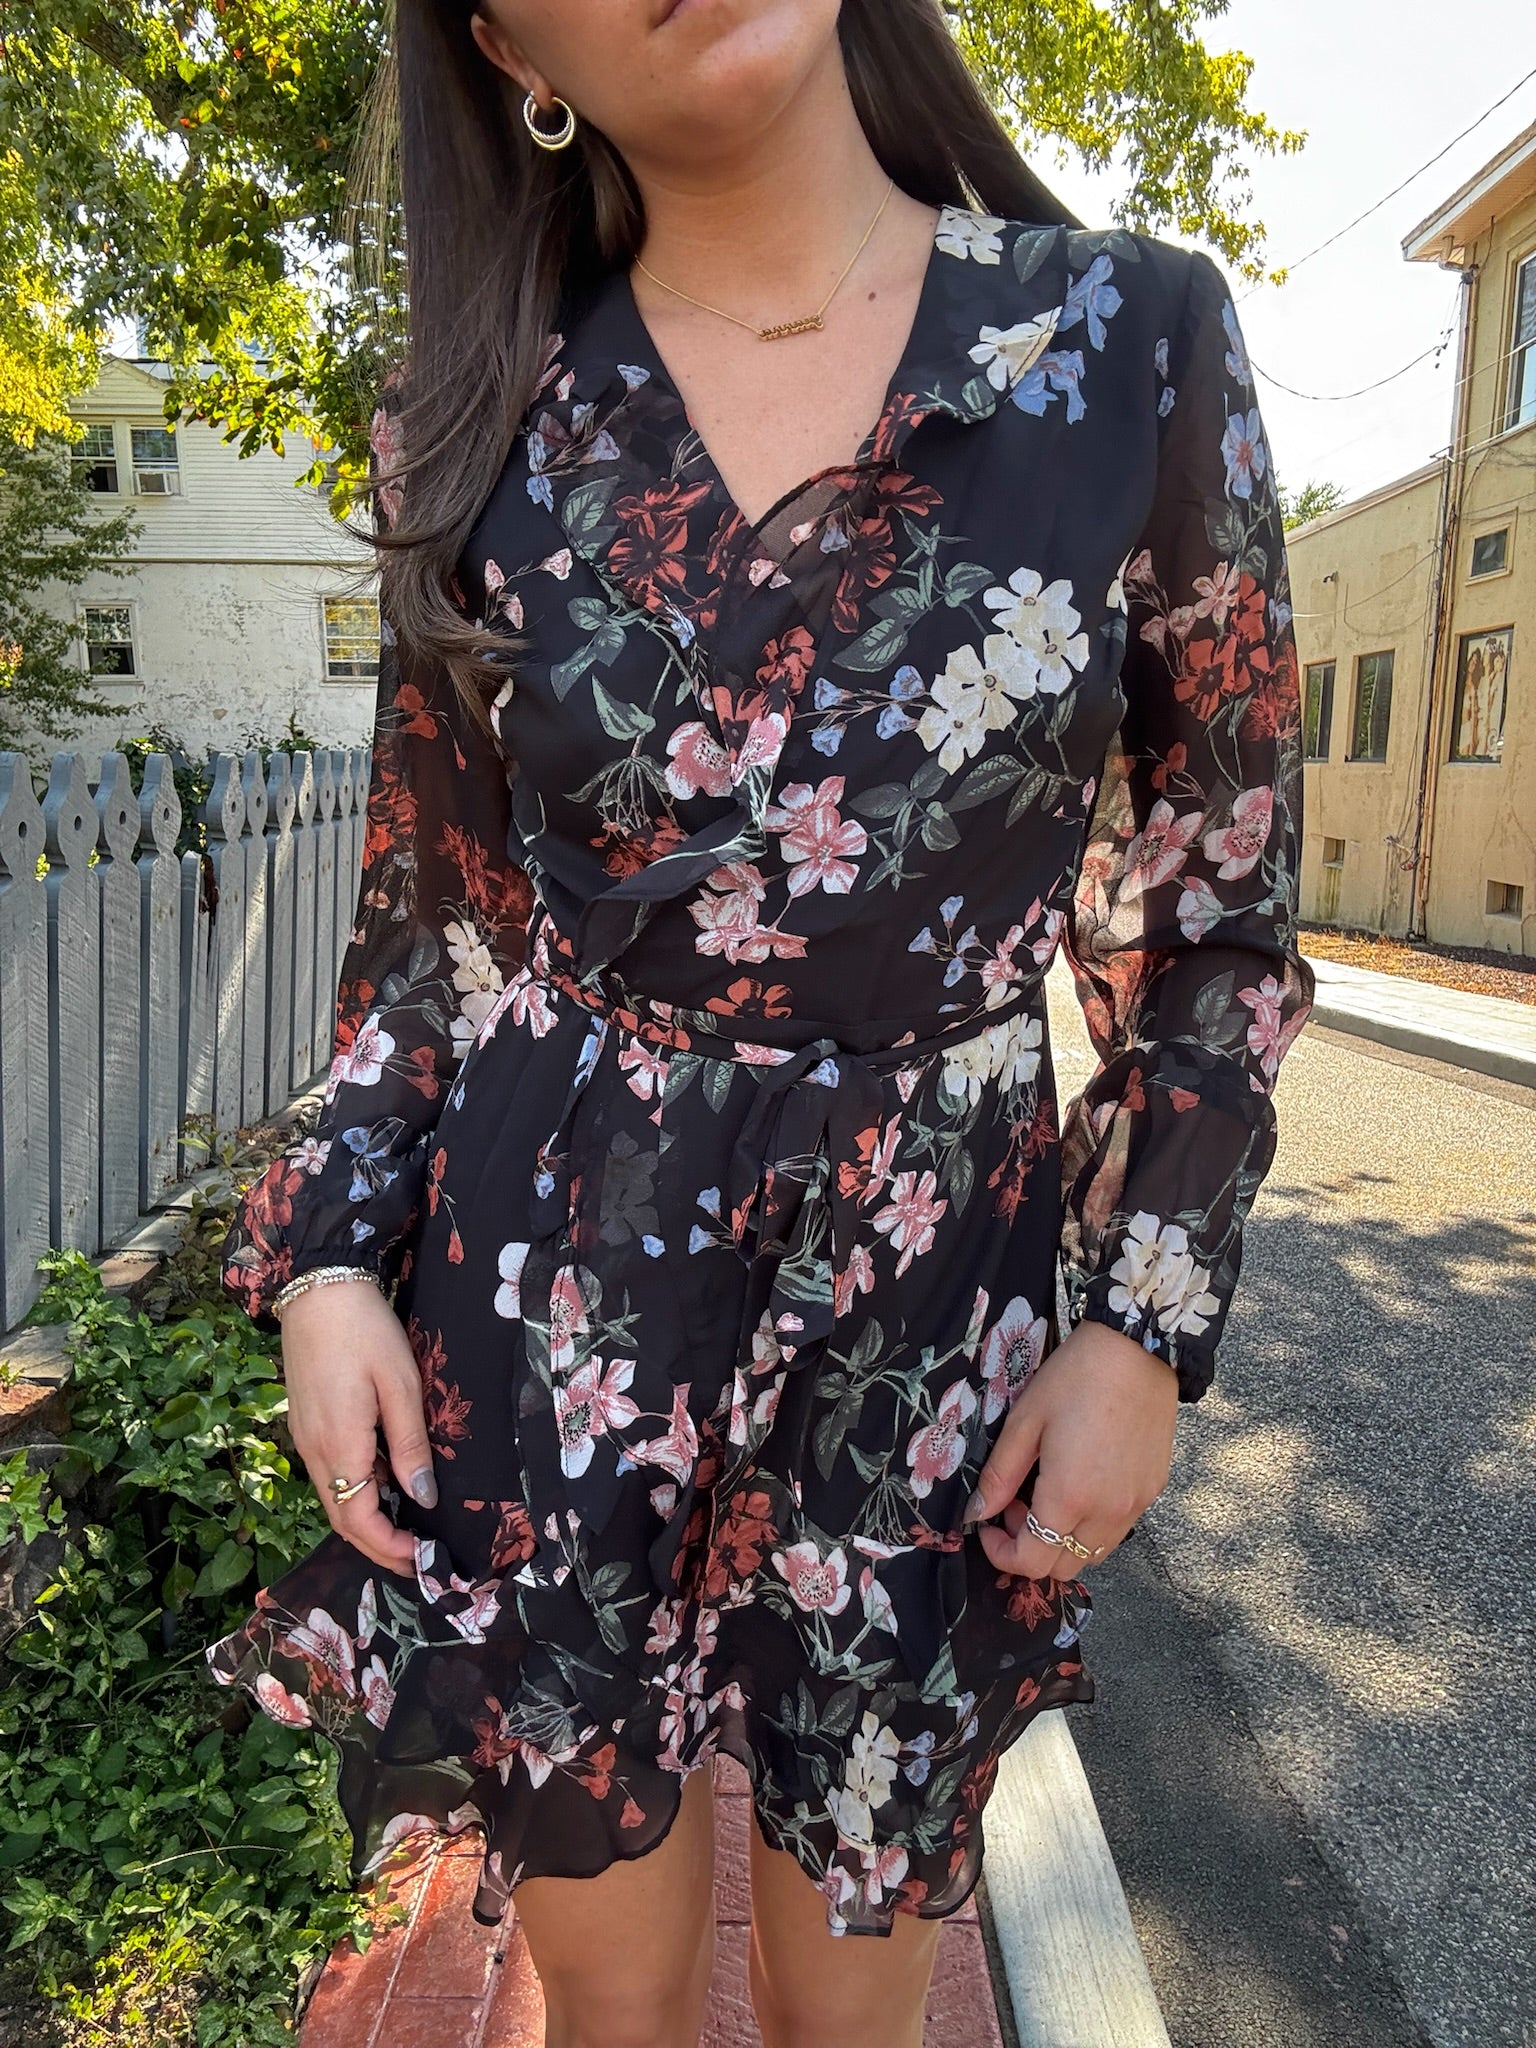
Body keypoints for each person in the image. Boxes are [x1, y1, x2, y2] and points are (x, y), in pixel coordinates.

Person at [206, 4, 1315, 2043]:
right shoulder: (478, 419)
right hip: (556, 1298)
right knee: (614, 2000)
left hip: (930, 1313)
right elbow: (432, 914)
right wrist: (332, 1262)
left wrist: (1145, 1316)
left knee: (848, 2012)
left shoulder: (1128, 344)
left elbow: (1216, 905)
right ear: (505, 43)